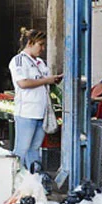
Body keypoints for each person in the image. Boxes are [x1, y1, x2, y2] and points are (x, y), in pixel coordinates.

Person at [9, 28, 63, 171]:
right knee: (22, 149)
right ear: (30, 43)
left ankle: (34, 178)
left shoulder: (40, 62)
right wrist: (47, 80)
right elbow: (23, 83)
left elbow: (44, 81)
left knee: (34, 149)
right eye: (40, 44)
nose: (43, 48)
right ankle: (14, 176)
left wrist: (53, 80)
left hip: (41, 112)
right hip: (26, 113)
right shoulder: (19, 61)